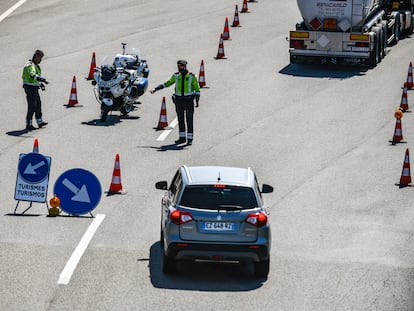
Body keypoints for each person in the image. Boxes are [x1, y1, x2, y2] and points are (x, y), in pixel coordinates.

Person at [150, 60, 200, 145]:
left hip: (188, 100)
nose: (178, 68)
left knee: (189, 119)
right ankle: (182, 138)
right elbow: (167, 83)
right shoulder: (176, 76)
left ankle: (190, 139)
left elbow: (197, 89)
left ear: (184, 66)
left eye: (180, 66)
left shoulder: (192, 76)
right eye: (178, 66)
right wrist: (155, 89)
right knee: (180, 119)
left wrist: (197, 101)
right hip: (179, 100)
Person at [22, 50, 49, 131]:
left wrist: (40, 84)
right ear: (36, 56)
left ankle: (40, 122)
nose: (40, 60)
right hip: (30, 88)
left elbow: (34, 80)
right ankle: (29, 124)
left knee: (38, 104)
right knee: (32, 106)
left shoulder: (35, 65)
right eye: (40, 58)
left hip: (34, 87)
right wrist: (43, 80)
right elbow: (33, 76)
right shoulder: (31, 66)